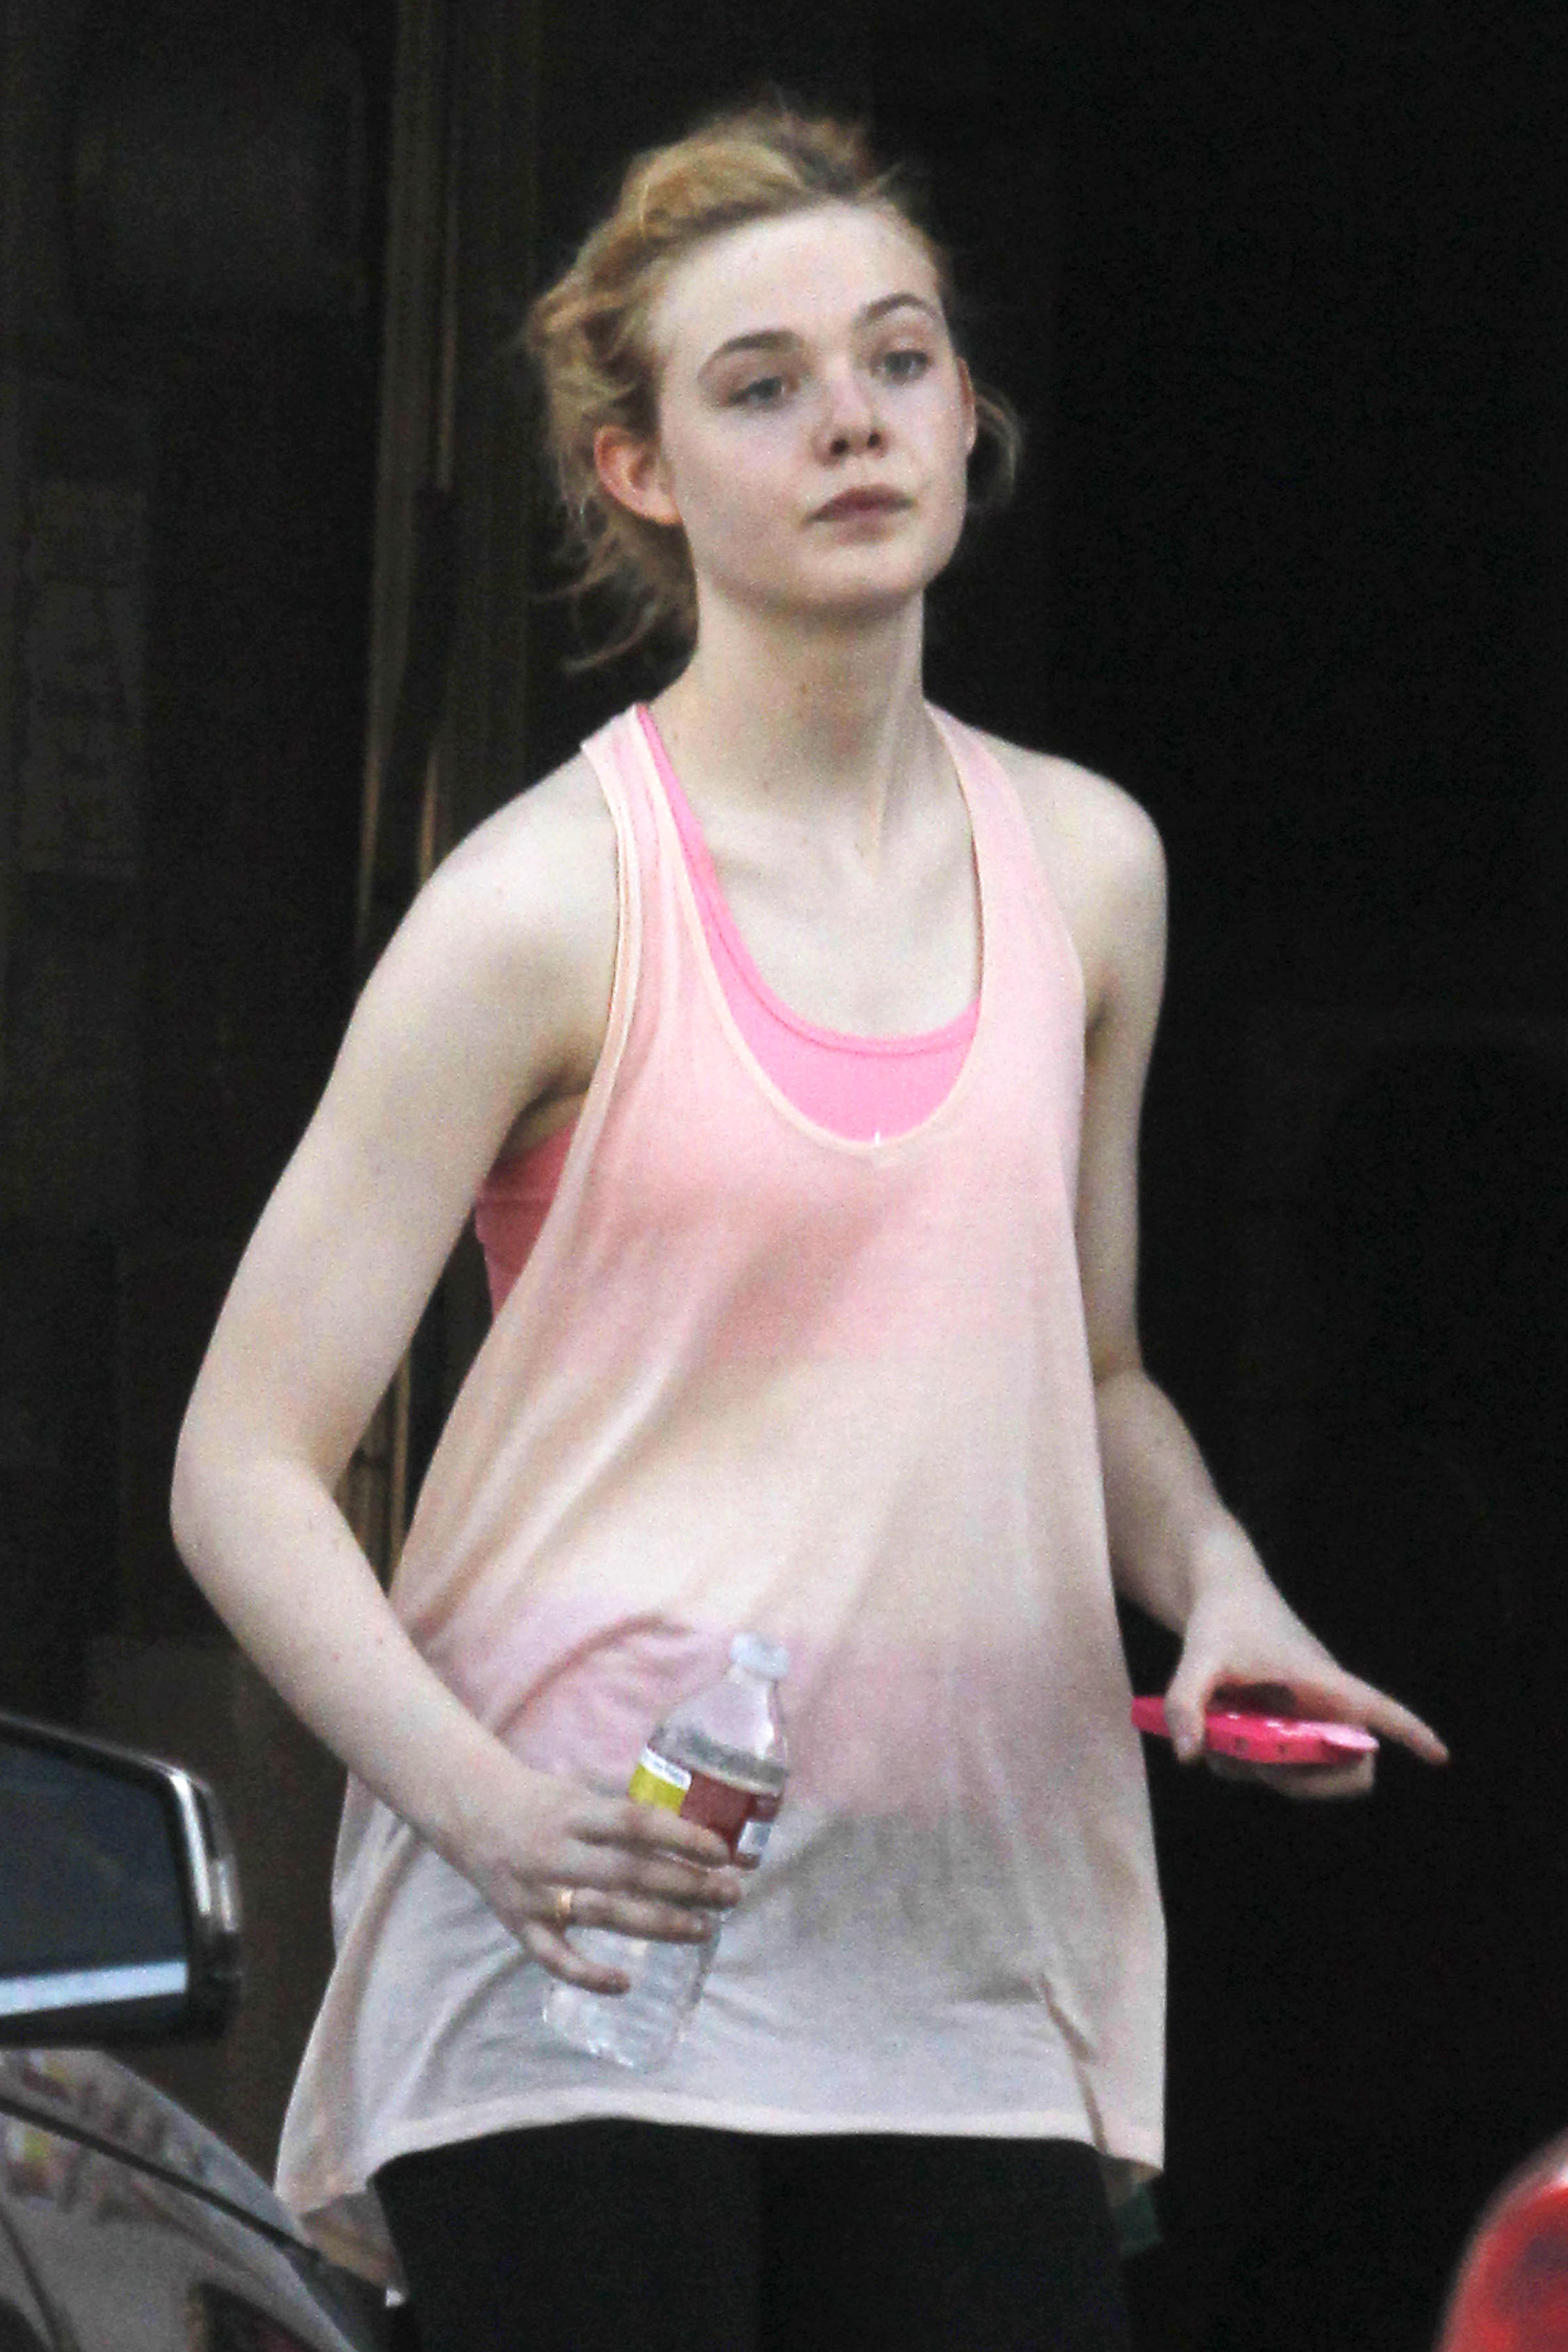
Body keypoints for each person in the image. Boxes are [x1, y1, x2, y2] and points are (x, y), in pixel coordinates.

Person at [170, 103, 1446, 2352]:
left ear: (966, 411)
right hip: (588, 1946)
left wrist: (1223, 1584)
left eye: (898, 359)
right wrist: (484, 1812)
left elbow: (1090, 1371)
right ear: (639, 468)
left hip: (961, 1945)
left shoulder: (1089, 868)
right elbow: (240, 1464)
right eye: (761, 385)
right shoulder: (545, 903)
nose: (852, 420)